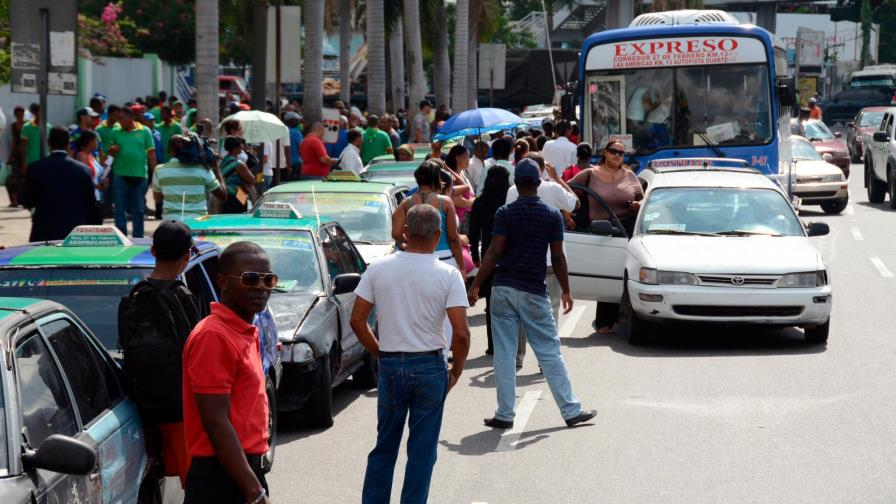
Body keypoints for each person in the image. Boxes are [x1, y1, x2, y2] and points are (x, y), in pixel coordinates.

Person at [350, 204, 470, 504]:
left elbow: (357, 320)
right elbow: (461, 333)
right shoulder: (449, 275)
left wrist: (380, 352)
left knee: (384, 447)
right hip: (430, 365)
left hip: (391, 365)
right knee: (422, 451)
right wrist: (456, 371)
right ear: (438, 235)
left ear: (405, 232)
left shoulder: (378, 268)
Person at [467, 159, 596, 430]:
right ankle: (570, 411)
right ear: (539, 183)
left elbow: (493, 251)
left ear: (516, 183)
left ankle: (504, 414)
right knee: (549, 352)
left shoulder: (504, 213)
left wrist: (477, 284)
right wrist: (567, 290)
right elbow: (558, 257)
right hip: (533, 290)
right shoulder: (551, 215)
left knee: (504, 353)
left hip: (502, 289)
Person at [182, 242, 273, 504]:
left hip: (242, 469)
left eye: (268, 279)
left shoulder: (244, 329)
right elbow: (215, 422)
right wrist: (253, 491)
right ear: (222, 281)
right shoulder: (214, 336)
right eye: (251, 278)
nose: (261, 287)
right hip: (220, 477)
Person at [119, 220, 203, 490]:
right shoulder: (184, 297)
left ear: (153, 251)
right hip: (182, 410)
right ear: (188, 255)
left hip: (140, 408)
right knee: (195, 484)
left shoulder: (133, 297)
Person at [568, 140, 643, 333]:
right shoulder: (589, 174)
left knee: (628, 274)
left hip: (628, 229)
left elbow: (643, 199)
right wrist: (563, 212)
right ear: (604, 153)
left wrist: (637, 205)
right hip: (601, 231)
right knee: (609, 273)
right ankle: (604, 321)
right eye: (613, 151)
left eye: (621, 153)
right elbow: (565, 192)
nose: (617, 155)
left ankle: (626, 315)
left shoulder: (630, 175)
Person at [507, 154, 578, 325]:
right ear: (542, 171)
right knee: (551, 309)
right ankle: (548, 349)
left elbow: (508, 229)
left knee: (522, 309)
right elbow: (576, 203)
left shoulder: (512, 191)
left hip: (521, 262)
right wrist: (557, 178)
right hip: (550, 263)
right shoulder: (553, 188)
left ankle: (519, 352)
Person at [22, 126, 100, 241]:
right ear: (68, 143)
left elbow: (27, 201)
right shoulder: (83, 170)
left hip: (44, 231)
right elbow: (90, 205)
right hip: (74, 233)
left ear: (49, 142)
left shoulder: (35, 168)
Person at [392, 160, 466, 275]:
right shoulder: (445, 202)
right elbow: (453, 237)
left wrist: (412, 241)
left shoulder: (407, 202)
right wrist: (462, 267)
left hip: (415, 259)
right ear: (436, 179)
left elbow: (396, 233)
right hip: (445, 259)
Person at [468, 167, 511, 355]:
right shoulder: (510, 201)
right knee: (511, 302)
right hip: (510, 254)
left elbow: (473, 231)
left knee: (491, 304)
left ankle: (492, 344)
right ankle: (509, 344)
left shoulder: (480, 202)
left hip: (488, 254)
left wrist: (476, 257)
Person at [109, 106, 157, 238]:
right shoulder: (115, 132)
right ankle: (121, 237)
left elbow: (151, 153)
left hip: (140, 175)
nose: (119, 122)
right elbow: (109, 152)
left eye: (121, 118)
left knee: (138, 210)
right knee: (119, 208)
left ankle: (138, 237)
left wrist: (157, 175)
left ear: (131, 118)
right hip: (120, 175)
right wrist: (112, 150)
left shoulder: (145, 131)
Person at [152, 135, 226, 221]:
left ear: (170, 151)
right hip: (198, 222)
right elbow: (223, 196)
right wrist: (215, 167)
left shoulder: (159, 170)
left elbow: (158, 199)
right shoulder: (203, 170)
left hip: (170, 223)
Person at [220, 136, 259, 214]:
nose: (242, 147)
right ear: (235, 148)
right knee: (239, 218)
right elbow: (252, 180)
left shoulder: (223, 161)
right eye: (240, 145)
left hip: (225, 196)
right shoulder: (238, 164)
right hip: (237, 196)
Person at [74, 130, 107, 211]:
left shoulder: (91, 156)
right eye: (96, 140)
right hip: (88, 198)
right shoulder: (82, 156)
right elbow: (83, 177)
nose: (97, 142)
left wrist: (103, 183)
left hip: (97, 197)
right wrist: (96, 186)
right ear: (90, 141)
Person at [445, 144, 475, 226]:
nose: (469, 159)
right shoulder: (451, 177)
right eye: (466, 156)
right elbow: (458, 201)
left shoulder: (463, 173)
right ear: (457, 158)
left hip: (467, 217)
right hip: (459, 219)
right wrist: (474, 201)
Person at [5, 105, 25, 207]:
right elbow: (13, 142)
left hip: (25, 154)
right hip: (16, 156)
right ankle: (14, 200)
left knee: (24, 178)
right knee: (13, 179)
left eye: (21, 114)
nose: (19, 116)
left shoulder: (27, 125)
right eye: (17, 114)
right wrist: (9, 156)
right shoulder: (13, 126)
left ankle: (25, 199)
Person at [285, 111, 304, 180]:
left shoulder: (283, 131)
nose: (299, 122)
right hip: (295, 163)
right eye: (297, 120)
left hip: (284, 164)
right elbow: (302, 148)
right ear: (291, 121)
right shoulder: (296, 133)